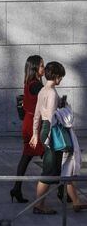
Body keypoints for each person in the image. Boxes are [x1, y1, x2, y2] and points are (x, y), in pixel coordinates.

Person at [30, 61, 87, 214]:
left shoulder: (42, 91)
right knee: (49, 171)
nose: (61, 79)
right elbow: (52, 117)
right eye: (61, 76)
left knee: (52, 169)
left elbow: (37, 115)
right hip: (53, 132)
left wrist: (36, 133)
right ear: (55, 76)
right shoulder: (52, 93)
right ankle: (39, 205)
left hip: (45, 130)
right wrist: (64, 109)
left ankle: (70, 200)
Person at [10, 55, 45, 203]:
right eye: (42, 65)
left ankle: (16, 189)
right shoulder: (36, 85)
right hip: (34, 125)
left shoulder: (29, 82)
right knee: (51, 156)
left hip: (28, 122)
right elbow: (47, 101)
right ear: (35, 67)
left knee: (26, 157)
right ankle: (61, 191)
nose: (44, 68)